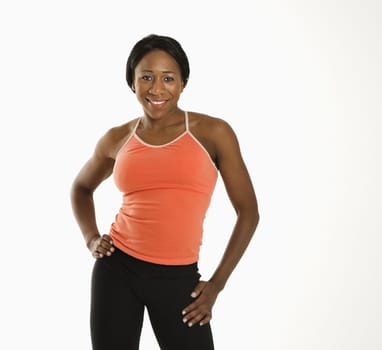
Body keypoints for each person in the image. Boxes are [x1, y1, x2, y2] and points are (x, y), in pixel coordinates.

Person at [70, 34, 259, 350]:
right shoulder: (117, 138)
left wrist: (216, 285)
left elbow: (248, 212)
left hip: (178, 279)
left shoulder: (213, 133)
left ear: (183, 82)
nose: (157, 89)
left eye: (168, 78)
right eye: (146, 77)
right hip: (117, 270)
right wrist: (91, 237)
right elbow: (80, 188)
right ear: (132, 82)